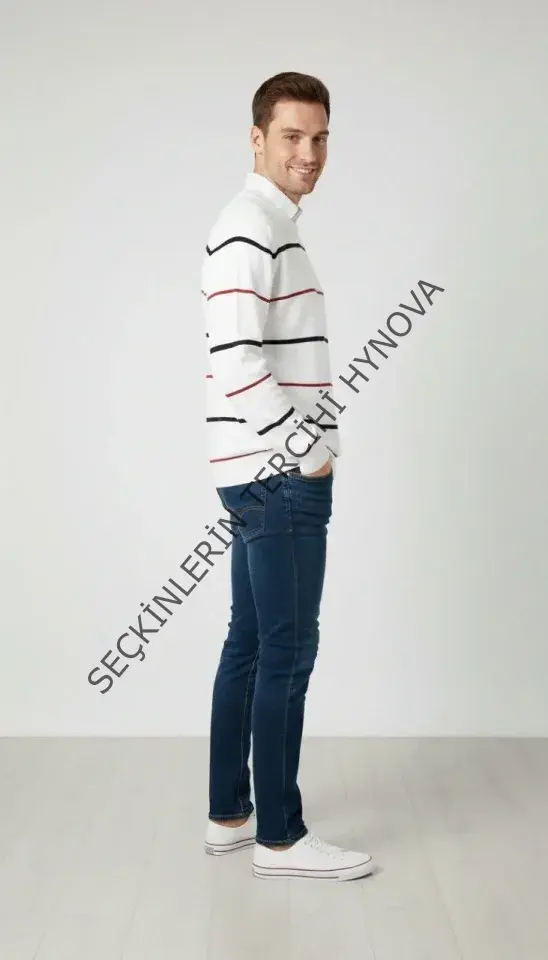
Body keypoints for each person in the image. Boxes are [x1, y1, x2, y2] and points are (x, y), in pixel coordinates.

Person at [200, 71, 374, 881]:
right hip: (278, 478)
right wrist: (307, 452)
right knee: (288, 649)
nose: (310, 153)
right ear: (257, 138)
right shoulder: (251, 225)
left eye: (320, 137)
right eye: (293, 136)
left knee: (250, 641)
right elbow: (237, 360)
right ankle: (280, 837)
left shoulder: (270, 225)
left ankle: (230, 817)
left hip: (255, 472)